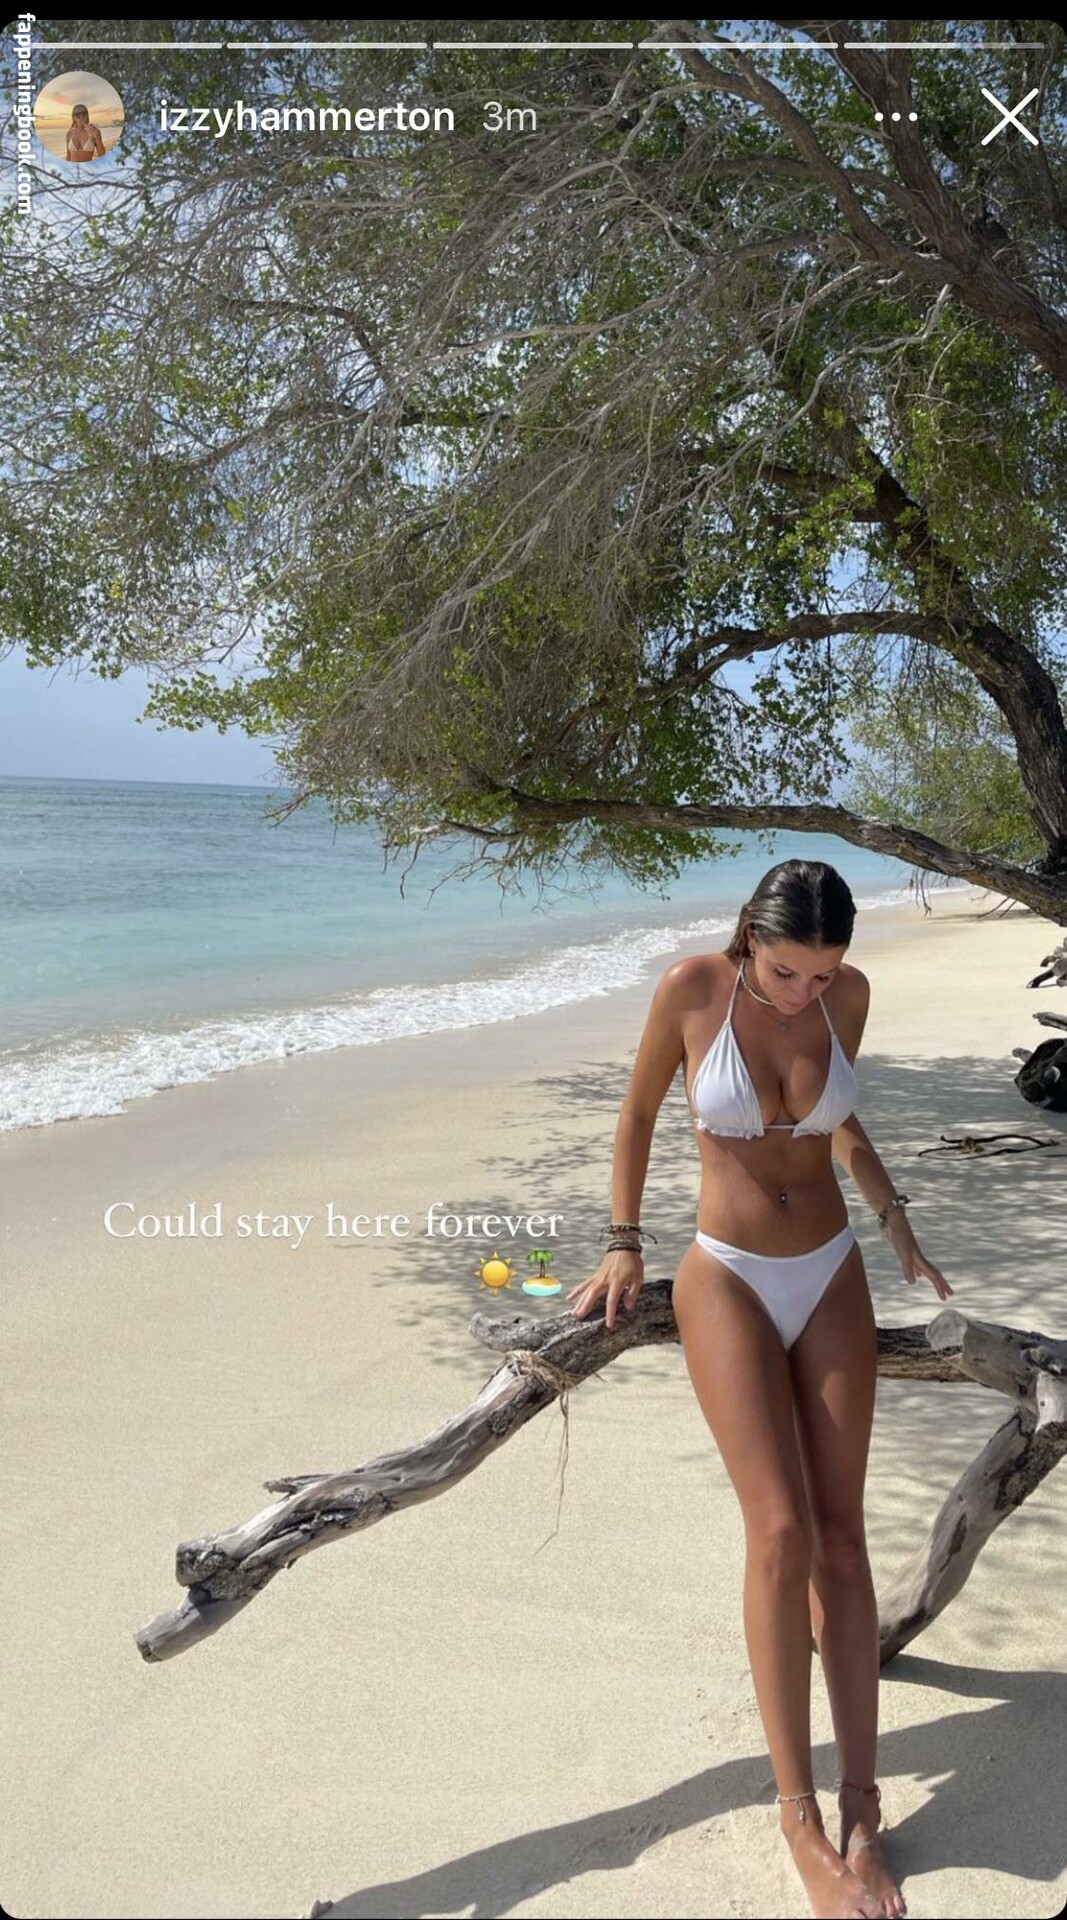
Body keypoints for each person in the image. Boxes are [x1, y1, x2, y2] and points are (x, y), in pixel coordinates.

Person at [567, 859, 951, 1920]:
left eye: (821, 975)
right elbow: (637, 1115)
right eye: (786, 972)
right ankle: (797, 1817)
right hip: (726, 1273)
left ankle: (863, 1808)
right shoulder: (691, 987)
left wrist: (895, 1222)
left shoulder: (847, 996)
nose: (802, 994)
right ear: (748, 937)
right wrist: (621, 1240)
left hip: (829, 1268)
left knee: (843, 1540)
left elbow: (839, 1124)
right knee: (779, 1534)